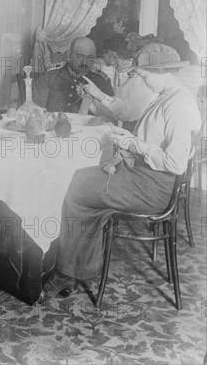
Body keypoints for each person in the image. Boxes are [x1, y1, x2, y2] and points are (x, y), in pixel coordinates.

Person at [42, 43, 201, 299]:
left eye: (145, 75)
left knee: (76, 188)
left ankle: (67, 273)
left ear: (161, 71)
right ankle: (74, 268)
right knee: (84, 180)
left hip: (152, 189)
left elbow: (176, 163)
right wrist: (127, 140)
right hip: (144, 179)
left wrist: (134, 144)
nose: (144, 81)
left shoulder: (178, 105)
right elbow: (152, 144)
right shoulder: (169, 97)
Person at [84, 33, 158, 129]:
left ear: (129, 57)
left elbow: (128, 114)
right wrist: (92, 100)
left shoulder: (142, 79)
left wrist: (98, 94)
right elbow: (115, 111)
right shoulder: (130, 78)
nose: (112, 62)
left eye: (115, 57)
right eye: (111, 57)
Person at [32, 36, 114, 114]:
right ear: (69, 55)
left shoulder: (102, 80)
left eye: (90, 57)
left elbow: (110, 114)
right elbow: (36, 110)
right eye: (80, 56)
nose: (84, 62)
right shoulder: (50, 75)